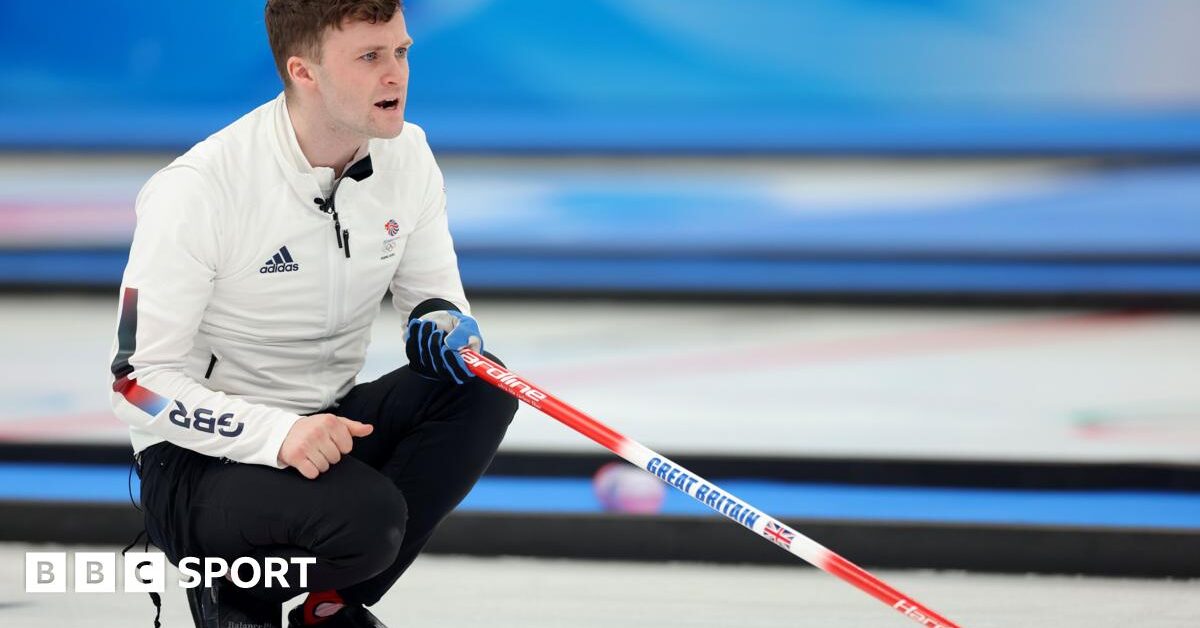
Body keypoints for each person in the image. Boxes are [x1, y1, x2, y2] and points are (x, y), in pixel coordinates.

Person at [108, 1, 517, 626]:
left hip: (327, 424)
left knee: (481, 385)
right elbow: (136, 385)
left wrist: (443, 321)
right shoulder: (197, 189)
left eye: (401, 51)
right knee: (367, 521)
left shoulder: (408, 154)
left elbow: (432, 299)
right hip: (199, 460)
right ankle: (234, 588)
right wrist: (276, 435)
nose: (396, 74)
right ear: (304, 72)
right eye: (370, 56)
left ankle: (329, 610)